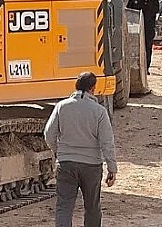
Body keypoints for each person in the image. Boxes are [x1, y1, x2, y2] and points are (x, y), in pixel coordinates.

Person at [45, 72, 117, 227]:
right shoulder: (99, 111)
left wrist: (59, 152)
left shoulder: (61, 107)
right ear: (93, 88)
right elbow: (107, 142)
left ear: (75, 86)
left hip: (66, 164)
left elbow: (48, 134)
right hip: (91, 166)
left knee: (64, 206)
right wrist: (112, 168)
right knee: (92, 207)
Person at [126, 0, 160, 73]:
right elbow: (129, 8)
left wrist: (147, 0)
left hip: (148, 26)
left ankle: (146, 68)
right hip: (135, 26)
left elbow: (155, 10)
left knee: (147, 47)